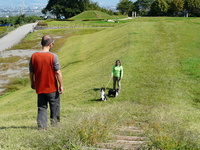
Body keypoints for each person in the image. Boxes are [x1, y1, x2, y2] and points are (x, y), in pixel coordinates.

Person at [29, 35, 64, 130]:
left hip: (40, 87)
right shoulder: (53, 56)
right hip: (52, 88)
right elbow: (58, 72)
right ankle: (55, 126)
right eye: (52, 43)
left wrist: (32, 82)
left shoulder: (34, 56)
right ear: (50, 44)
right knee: (55, 107)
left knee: (42, 107)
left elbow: (31, 72)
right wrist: (61, 85)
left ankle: (42, 127)